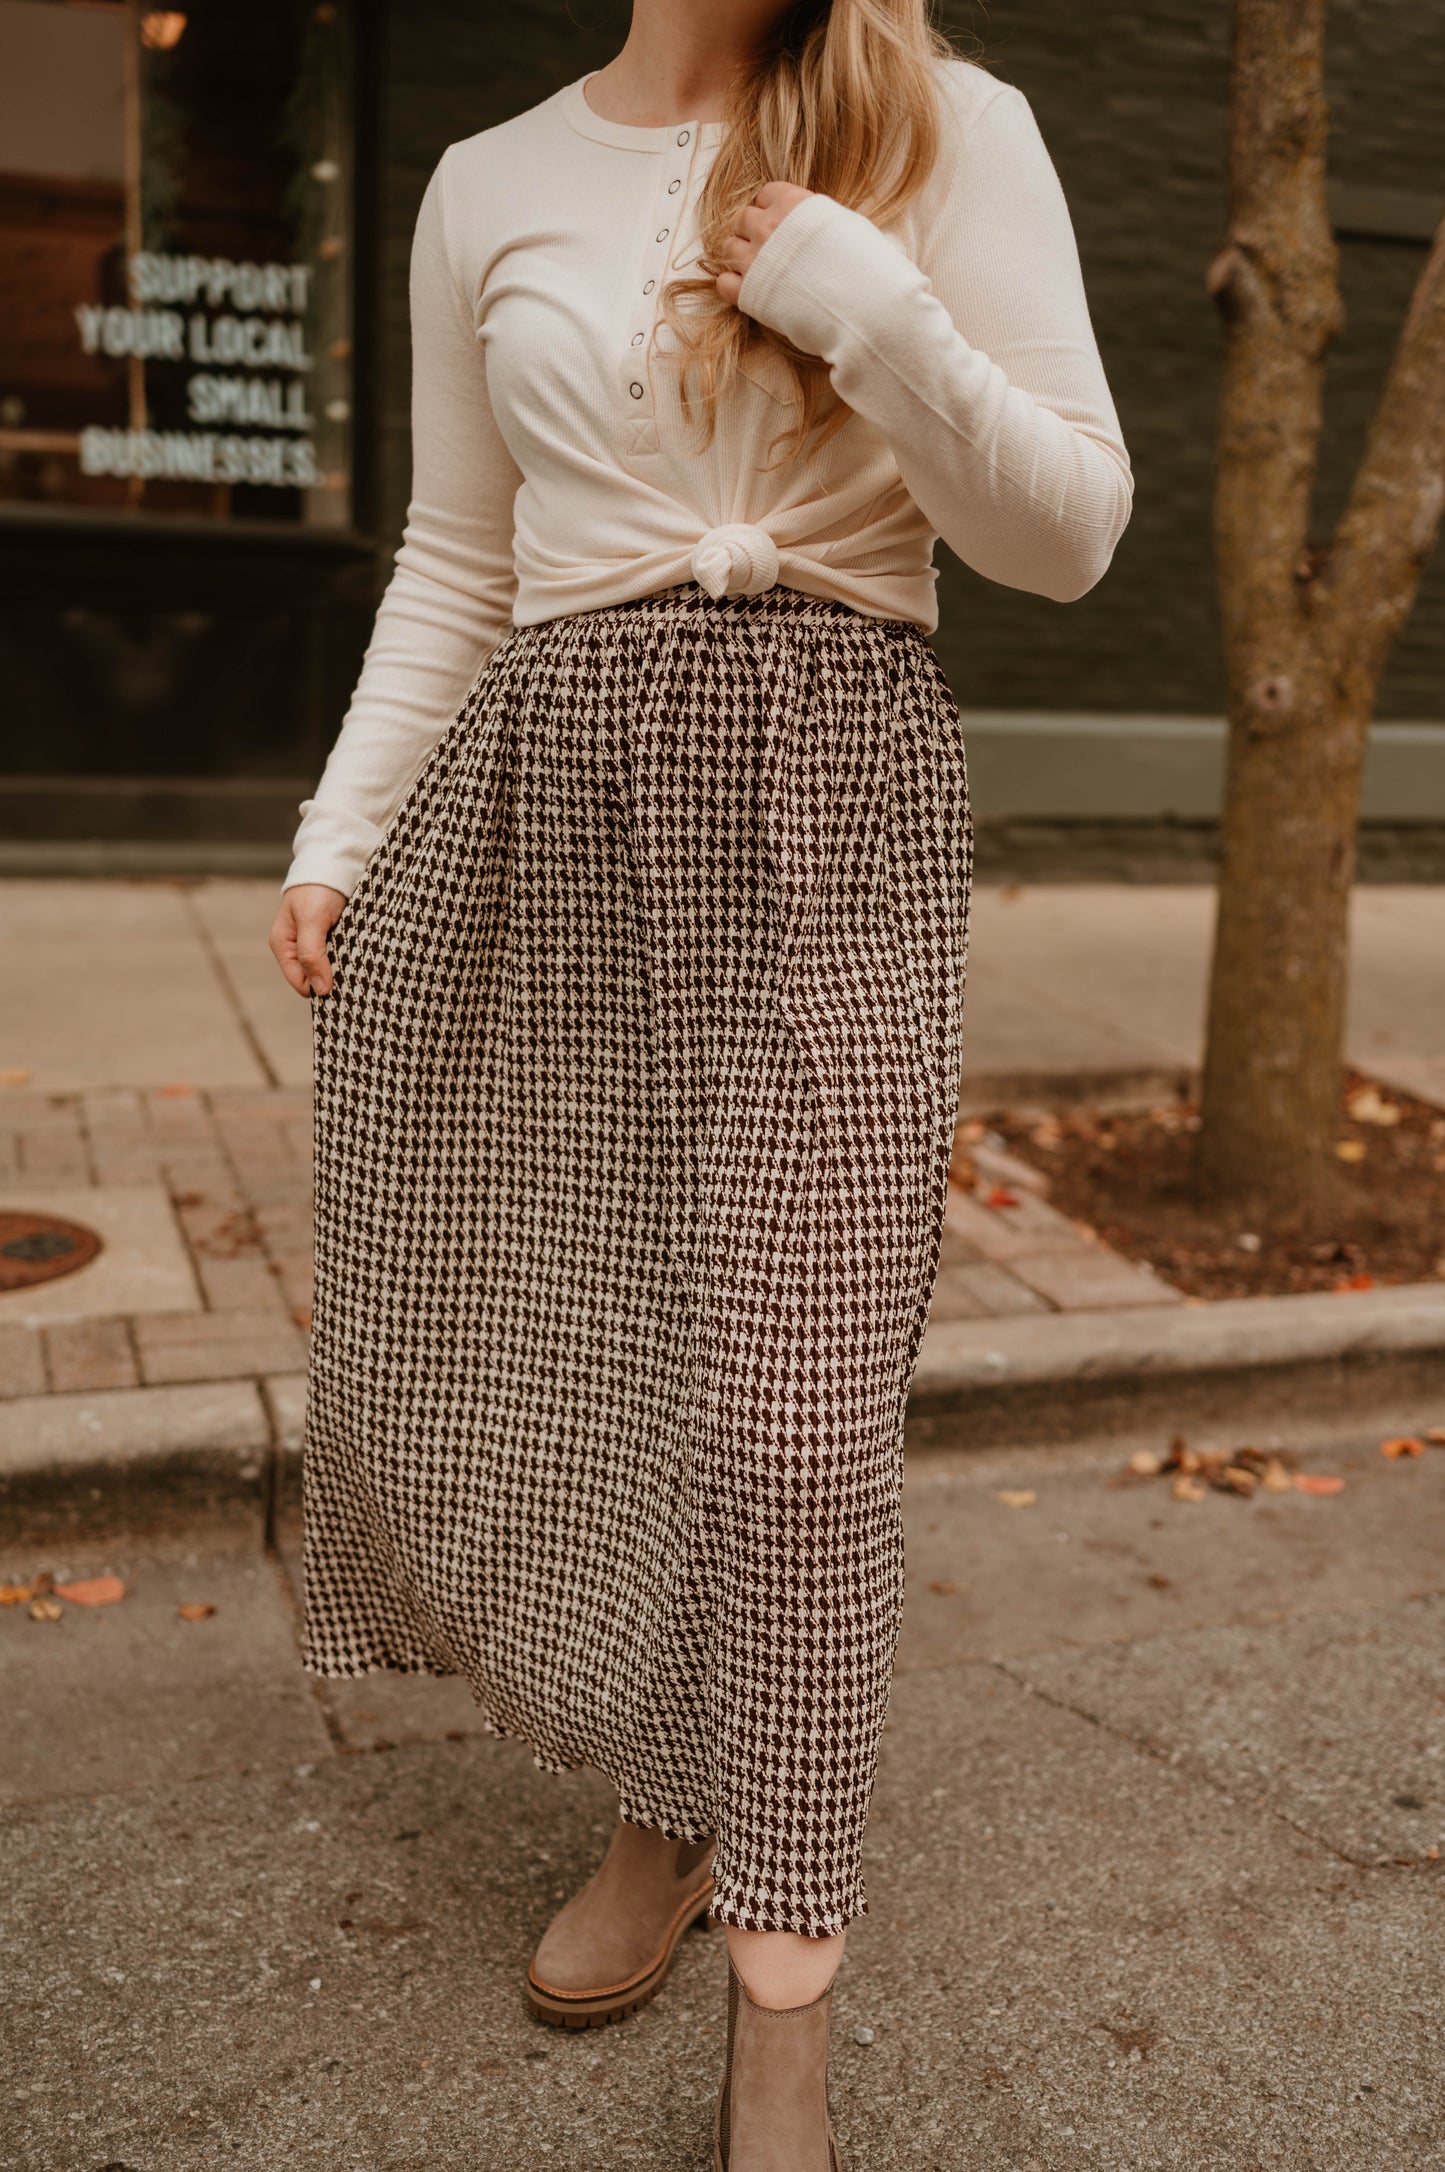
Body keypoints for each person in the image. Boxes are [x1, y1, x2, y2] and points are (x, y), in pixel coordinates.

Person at [268, 1, 1130, 2161]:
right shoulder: (484, 179)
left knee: (795, 1408)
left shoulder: (951, 126)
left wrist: (874, 307)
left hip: (830, 798)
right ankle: (668, 1804)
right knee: (604, 1354)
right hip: (554, 810)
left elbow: (1071, 532)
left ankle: (789, 1998)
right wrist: (340, 831)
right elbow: (461, 558)